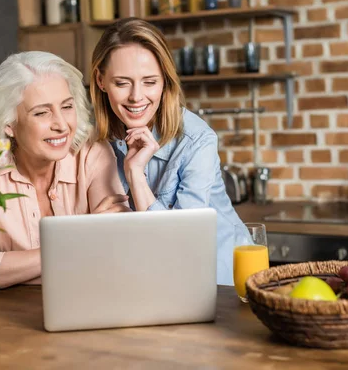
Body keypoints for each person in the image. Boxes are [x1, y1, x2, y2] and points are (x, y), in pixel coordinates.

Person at [0, 51, 129, 296]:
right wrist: (77, 242)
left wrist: (9, 268)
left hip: (86, 303)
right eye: (41, 113)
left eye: (67, 107)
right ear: (9, 125)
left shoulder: (93, 154)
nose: (61, 124)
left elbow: (116, 252)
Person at [90, 18, 245, 286]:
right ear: (101, 81)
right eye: (122, 83)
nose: (136, 97)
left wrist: (135, 173)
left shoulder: (197, 141)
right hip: (153, 281)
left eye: (150, 82)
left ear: (165, 82)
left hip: (223, 282)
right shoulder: (94, 143)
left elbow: (176, 244)